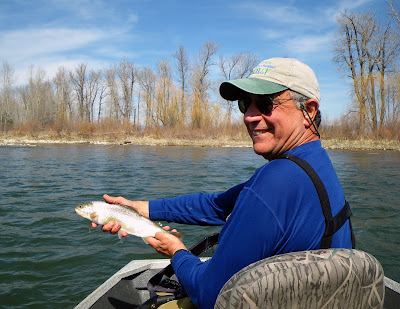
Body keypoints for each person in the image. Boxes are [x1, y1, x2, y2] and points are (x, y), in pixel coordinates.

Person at [93, 57, 353, 309]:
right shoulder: (314, 165)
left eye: (265, 103)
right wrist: (139, 208)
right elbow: (215, 205)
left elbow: (210, 296)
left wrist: (177, 252)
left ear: (308, 110)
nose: (249, 116)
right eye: (244, 103)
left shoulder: (276, 183)